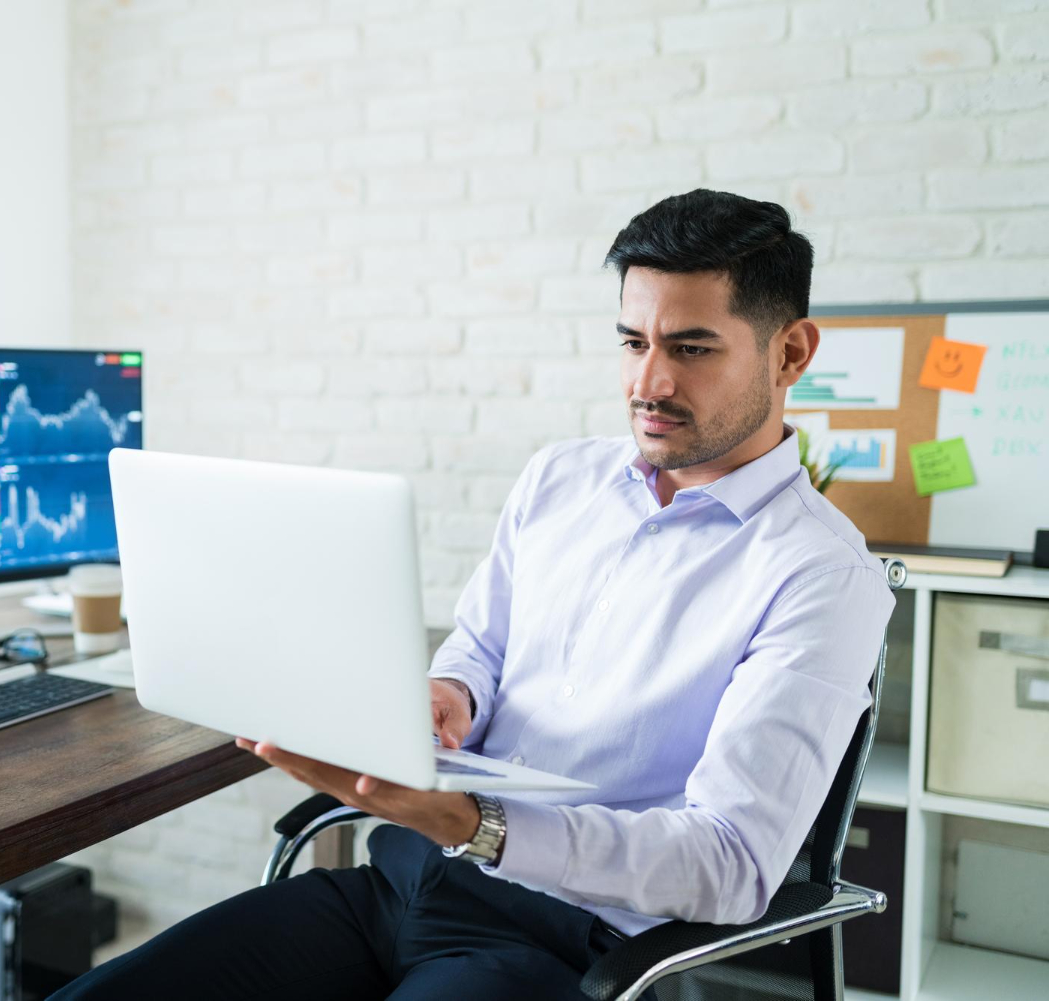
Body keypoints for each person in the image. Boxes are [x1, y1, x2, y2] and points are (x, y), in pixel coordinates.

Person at [51, 189, 896, 1000]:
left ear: (790, 352)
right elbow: (481, 648)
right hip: (404, 878)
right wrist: (449, 693)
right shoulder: (561, 479)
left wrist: (478, 822)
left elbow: (731, 863)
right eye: (633, 343)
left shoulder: (821, 574)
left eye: (692, 348)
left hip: (565, 940)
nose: (649, 384)